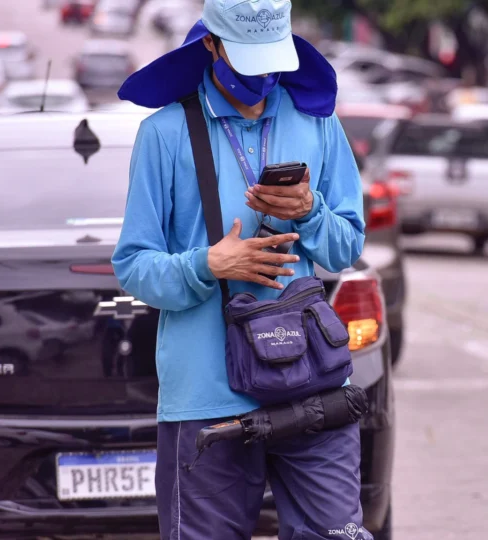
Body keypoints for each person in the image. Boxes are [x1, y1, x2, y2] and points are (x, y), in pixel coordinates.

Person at [112, 1, 370, 538]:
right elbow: (134, 267)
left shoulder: (316, 122)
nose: (262, 77)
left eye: (270, 61)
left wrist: (310, 211)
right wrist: (207, 264)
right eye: (247, 62)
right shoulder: (164, 133)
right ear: (210, 45)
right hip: (207, 397)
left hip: (314, 385)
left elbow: (346, 248)